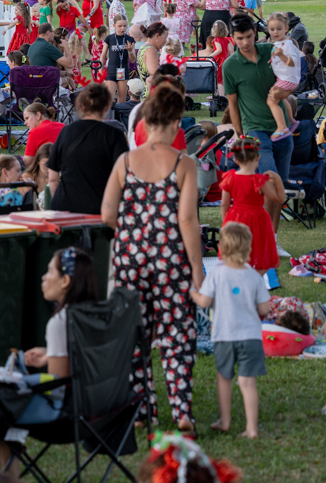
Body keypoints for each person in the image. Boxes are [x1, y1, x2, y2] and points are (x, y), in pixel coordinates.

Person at [101, 85, 202, 430]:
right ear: (175, 122)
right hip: (171, 259)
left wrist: (132, 231)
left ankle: (142, 411)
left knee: (134, 336)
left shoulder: (124, 162)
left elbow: (107, 214)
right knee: (177, 335)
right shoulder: (184, 163)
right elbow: (188, 220)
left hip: (130, 258)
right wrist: (198, 269)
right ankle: (182, 411)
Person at [189, 223, 270, 439]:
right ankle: (252, 429)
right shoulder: (254, 275)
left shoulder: (217, 274)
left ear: (221, 249)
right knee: (247, 382)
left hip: (224, 336)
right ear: (248, 248)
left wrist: (192, 293)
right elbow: (264, 308)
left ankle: (225, 421)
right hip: (251, 336)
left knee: (224, 377)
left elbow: (204, 302)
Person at [223, 14, 293, 243]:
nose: (245, 42)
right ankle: (260, 235)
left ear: (256, 33)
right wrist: (240, 134)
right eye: (240, 38)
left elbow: (290, 74)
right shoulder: (230, 66)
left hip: (281, 129)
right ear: (232, 38)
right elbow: (232, 104)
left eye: (249, 36)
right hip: (254, 130)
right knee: (269, 182)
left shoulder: (269, 51)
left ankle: (271, 239)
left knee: (278, 190)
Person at [18, 247, 100, 425]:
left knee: (1, 407)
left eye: (49, 271)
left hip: (68, 417)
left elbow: (58, 385)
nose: (44, 277)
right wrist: (50, 354)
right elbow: (86, 360)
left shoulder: (60, 322)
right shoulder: (96, 314)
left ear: (65, 281)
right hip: (105, 410)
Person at [47, 84, 128, 215]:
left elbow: (53, 177)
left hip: (65, 206)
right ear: (106, 107)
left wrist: (59, 206)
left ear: (80, 106)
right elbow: (123, 177)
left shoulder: (66, 132)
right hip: (100, 207)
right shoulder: (115, 135)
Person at [218, 136, 282, 274]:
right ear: (257, 158)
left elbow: (224, 204)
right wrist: (277, 178)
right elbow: (278, 198)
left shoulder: (230, 178)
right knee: (258, 251)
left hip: (236, 217)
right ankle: (256, 280)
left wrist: (225, 222)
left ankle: (239, 279)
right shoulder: (259, 180)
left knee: (236, 250)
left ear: (235, 159)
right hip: (258, 218)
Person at [264, 13, 301, 141]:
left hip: (288, 79)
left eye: (279, 29)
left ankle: (282, 127)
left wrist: (280, 55)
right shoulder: (279, 44)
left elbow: (292, 62)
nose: (275, 32)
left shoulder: (288, 44)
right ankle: (291, 121)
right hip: (284, 78)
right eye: (272, 29)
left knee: (271, 100)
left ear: (286, 28)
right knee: (280, 98)